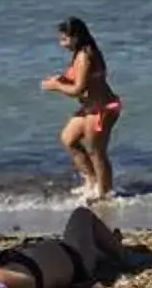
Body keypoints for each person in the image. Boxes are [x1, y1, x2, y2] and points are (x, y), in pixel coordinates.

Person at [42, 16, 119, 198]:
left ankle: (104, 193)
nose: (62, 44)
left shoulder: (86, 55)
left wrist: (57, 86)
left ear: (76, 37)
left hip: (102, 108)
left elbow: (78, 89)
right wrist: (61, 79)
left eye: (64, 39)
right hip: (89, 108)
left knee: (96, 150)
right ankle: (91, 180)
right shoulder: (79, 54)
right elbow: (80, 80)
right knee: (69, 139)